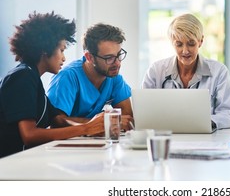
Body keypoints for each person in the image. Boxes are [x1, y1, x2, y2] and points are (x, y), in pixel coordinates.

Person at [0, 12, 105, 158]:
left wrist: (101, 123)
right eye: (61, 50)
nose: (64, 57)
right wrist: (86, 128)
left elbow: (59, 120)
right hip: (9, 166)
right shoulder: (22, 77)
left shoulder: (33, 78)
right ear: (45, 49)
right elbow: (29, 135)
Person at [142, 13, 230, 129]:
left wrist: (205, 123)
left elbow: (229, 114)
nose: (185, 51)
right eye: (179, 44)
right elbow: (144, 113)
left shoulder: (219, 72)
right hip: (167, 138)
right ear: (172, 43)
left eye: (191, 44)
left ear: (201, 41)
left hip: (206, 141)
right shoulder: (155, 71)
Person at [47, 23, 133, 131]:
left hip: (93, 141)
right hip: (66, 143)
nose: (117, 63)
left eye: (119, 55)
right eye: (109, 58)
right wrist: (104, 123)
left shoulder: (114, 78)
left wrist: (110, 122)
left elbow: (127, 118)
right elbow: (56, 121)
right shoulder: (67, 77)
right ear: (90, 57)